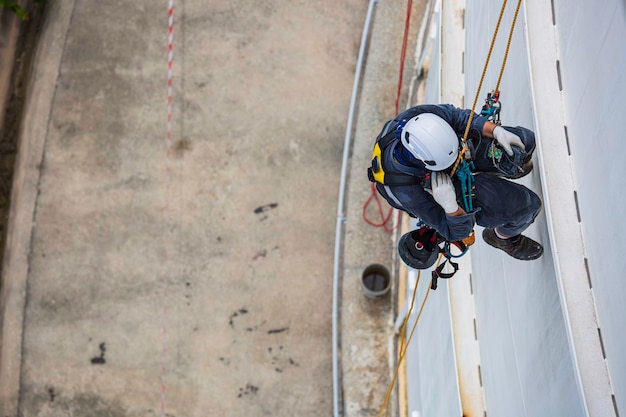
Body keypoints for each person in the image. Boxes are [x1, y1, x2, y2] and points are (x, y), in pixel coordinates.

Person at [368, 104, 543, 261]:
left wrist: (495, 131)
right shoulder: (407, 193)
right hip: (443, 190)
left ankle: (505, 168)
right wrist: (451, 206)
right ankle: (502, 237)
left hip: (458, 149)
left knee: (525, 142)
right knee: (528, 206)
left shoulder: (415, 119)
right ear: (424, 163)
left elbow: (457, 117)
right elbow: (455, 232)